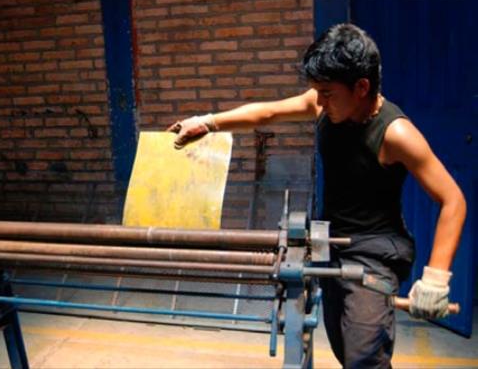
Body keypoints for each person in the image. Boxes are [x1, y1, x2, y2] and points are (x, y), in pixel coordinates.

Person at [168, 23, 466, 368]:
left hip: (375, 254)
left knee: (364, 358)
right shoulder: (324, 103)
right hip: (333, 243)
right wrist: (207, 122)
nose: (319, 101)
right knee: (344, 347)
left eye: (327, 92)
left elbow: (453, 200)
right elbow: (268, 112)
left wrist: (435, 279)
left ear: (361, 87)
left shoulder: (396, 134)